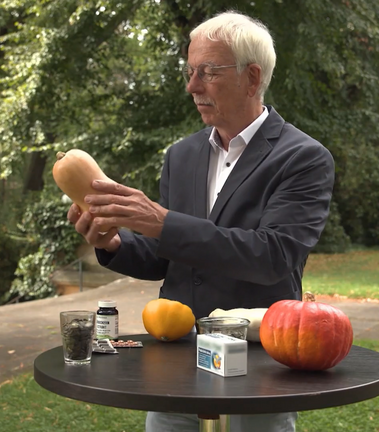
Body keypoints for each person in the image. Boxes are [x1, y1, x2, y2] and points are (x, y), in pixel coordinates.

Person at [67, 10, 335, 432]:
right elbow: (168, 256)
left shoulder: (303, 158)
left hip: (257, 370)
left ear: (251, 77)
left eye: (208, 72)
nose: (192, 86)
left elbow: (273, 256)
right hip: (177, 363)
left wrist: (163, 222)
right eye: (190, 71)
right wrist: (115, 244)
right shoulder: (182, 155)